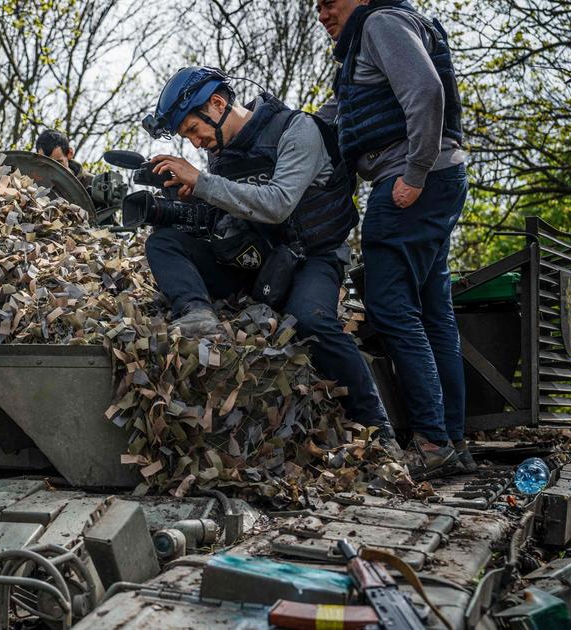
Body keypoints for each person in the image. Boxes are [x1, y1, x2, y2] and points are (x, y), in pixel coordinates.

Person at [141, 66, 396, 444]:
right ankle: (197, 312)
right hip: (255, 260)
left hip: (313, 258)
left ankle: (378, 428)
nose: (195, 143)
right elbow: (225, 211)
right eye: (188, 137)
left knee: (310, 319)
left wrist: (204, 183)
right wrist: (188, 196)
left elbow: (277, 204)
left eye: (195, 130)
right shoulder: (220, 155)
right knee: (162, 241)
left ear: (217, 103)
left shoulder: (297, 131)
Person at [316, 0, 472, 479]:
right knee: (433, 314)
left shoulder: (381, 22)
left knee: (391, 308)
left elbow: (425, 91)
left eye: (328, 1)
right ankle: (449, 439)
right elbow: (341, 114)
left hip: (408, 183)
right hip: (437, 179)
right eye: (315, 5)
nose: (321, 13)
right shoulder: (381, 30)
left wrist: (414, 172)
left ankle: (430, 442)